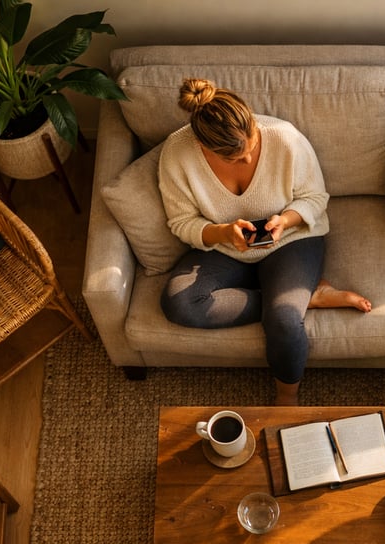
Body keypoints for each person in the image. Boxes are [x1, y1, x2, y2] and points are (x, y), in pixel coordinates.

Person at [159, 78, 371, 406]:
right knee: (180, 303)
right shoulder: (177, 154)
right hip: (224, 247)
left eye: (250, 145)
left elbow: (316, 198)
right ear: (204, 147)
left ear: (253, 124)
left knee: (284, 321)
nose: (246, 160)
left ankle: (287, 397)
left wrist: (285, 220)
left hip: (291, 240)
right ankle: (305, 298)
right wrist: (222, 232)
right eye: (235, 158)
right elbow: (181, 222)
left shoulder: (284, 137)